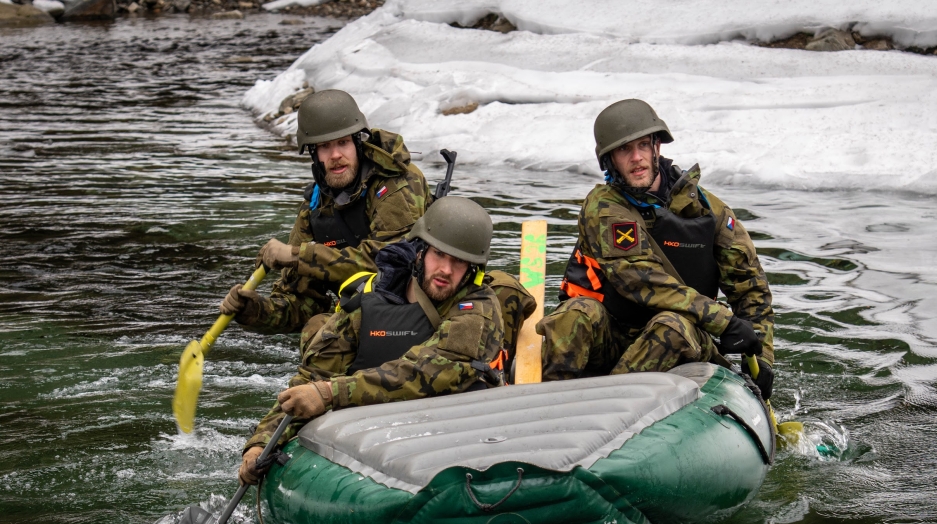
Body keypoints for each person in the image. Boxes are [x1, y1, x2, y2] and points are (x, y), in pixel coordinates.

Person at [239, 197, 507, 484]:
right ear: (419, 251)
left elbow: (426, 373)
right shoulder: (371, 299)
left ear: (472, 269)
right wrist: (260, 443)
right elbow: (314, 375)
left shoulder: (478, 311)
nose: (446, 270)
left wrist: (331, 393)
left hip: (451, 436)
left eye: (458, 262)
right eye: (438, 255)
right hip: (377, 439)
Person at [538, 99, 775, 398]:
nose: (636, 158)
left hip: (682, 337)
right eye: (625, 150)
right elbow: (643, 280)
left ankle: (613, 408)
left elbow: (750, 288)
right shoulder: (603, 208)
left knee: (671, 325)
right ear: (610, 159)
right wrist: (724, 322)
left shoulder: (709, 210)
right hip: (615, 333)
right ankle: (553, 407)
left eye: (643, 146)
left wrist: (762, 356)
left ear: (656, 148)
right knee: (574, 314)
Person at [219, 89, 432, 335]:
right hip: (366, 314)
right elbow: (301, 304)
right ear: (314, 154)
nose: (336, 155)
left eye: (343, 143)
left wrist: (300, 256)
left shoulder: (396, 184)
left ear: (357, 143)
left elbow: (392, 260)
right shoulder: (314, 209)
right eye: (324, 147)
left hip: (418, 307)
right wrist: (254, 310)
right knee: (316, 330)